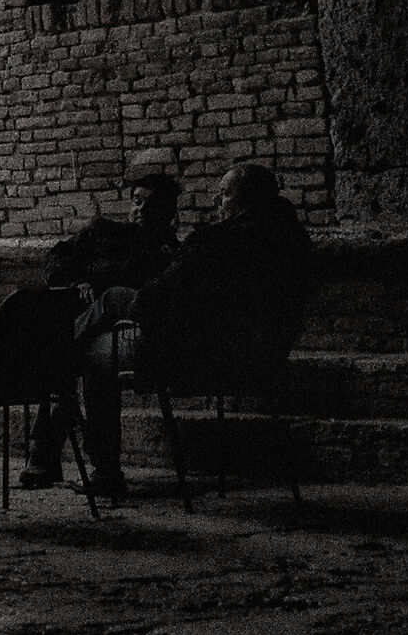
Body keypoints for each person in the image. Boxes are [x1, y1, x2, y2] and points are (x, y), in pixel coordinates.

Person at [73, 160, 311, 499]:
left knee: (98, 343)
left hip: (194, 361)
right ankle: (56, 355)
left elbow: (151, 303)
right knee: (102, 326)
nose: (217, 203)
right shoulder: (295, 243)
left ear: (248, 201)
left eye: (224, 195)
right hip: (262, 360)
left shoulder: (213, 242)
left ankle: (105, 471)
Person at [17, 149, 181, 488]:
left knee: (70, 359)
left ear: (169, 212)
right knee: (77, 355)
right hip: (83, 324)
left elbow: (150, 300)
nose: (141, 209)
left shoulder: (168, 254)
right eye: (137, 201)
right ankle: (88, 465)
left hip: (122, 330)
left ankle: (45, 454)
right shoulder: (104, 233)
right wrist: (78, 283)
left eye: (152, 204)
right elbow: (57, 261)